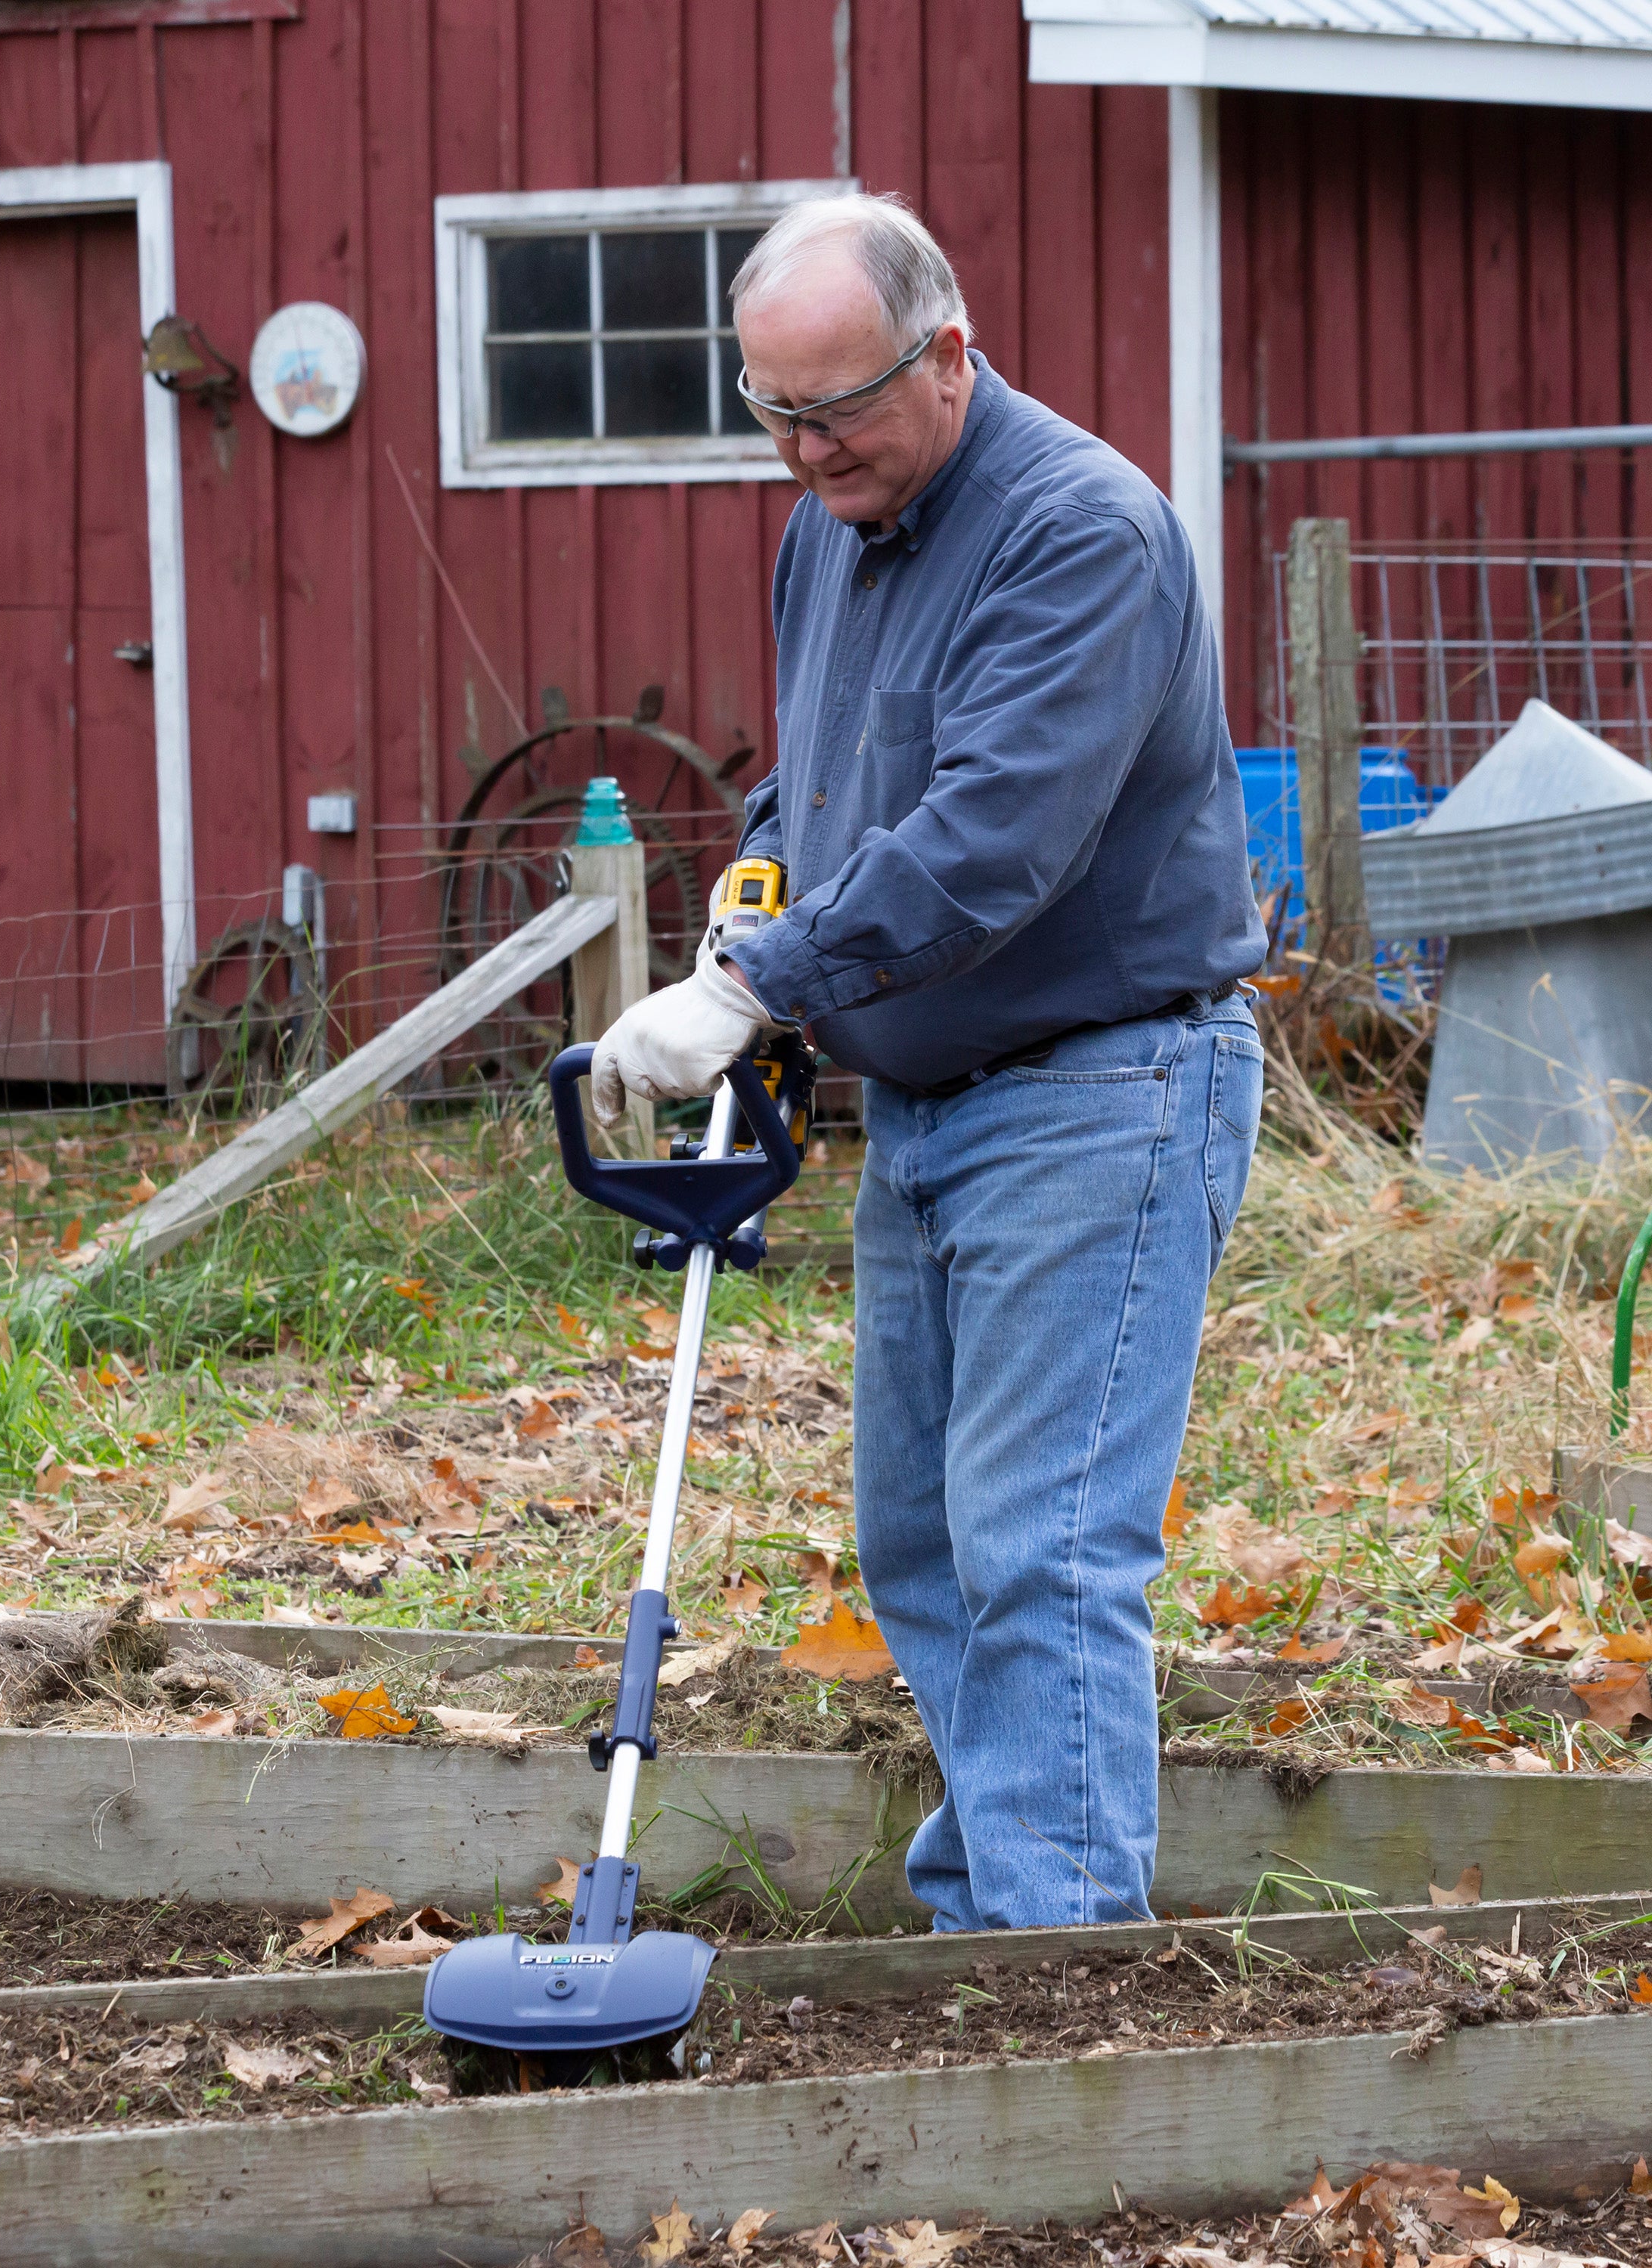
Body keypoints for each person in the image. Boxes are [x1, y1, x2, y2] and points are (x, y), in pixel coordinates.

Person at [587, 193, 1266, 1933]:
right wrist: (746, 920)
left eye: (841, 407)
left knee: (1042, 1547)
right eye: (775, 413)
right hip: (931, 1104)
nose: (808, 450)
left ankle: (1054, 1971)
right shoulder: (832, 526)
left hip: (1103, 1088)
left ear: (950, 355)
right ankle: (999, 1907)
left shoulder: (1082, 534)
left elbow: (987, 843)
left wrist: (763, 984)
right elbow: (817, 785)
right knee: (928, 1545)